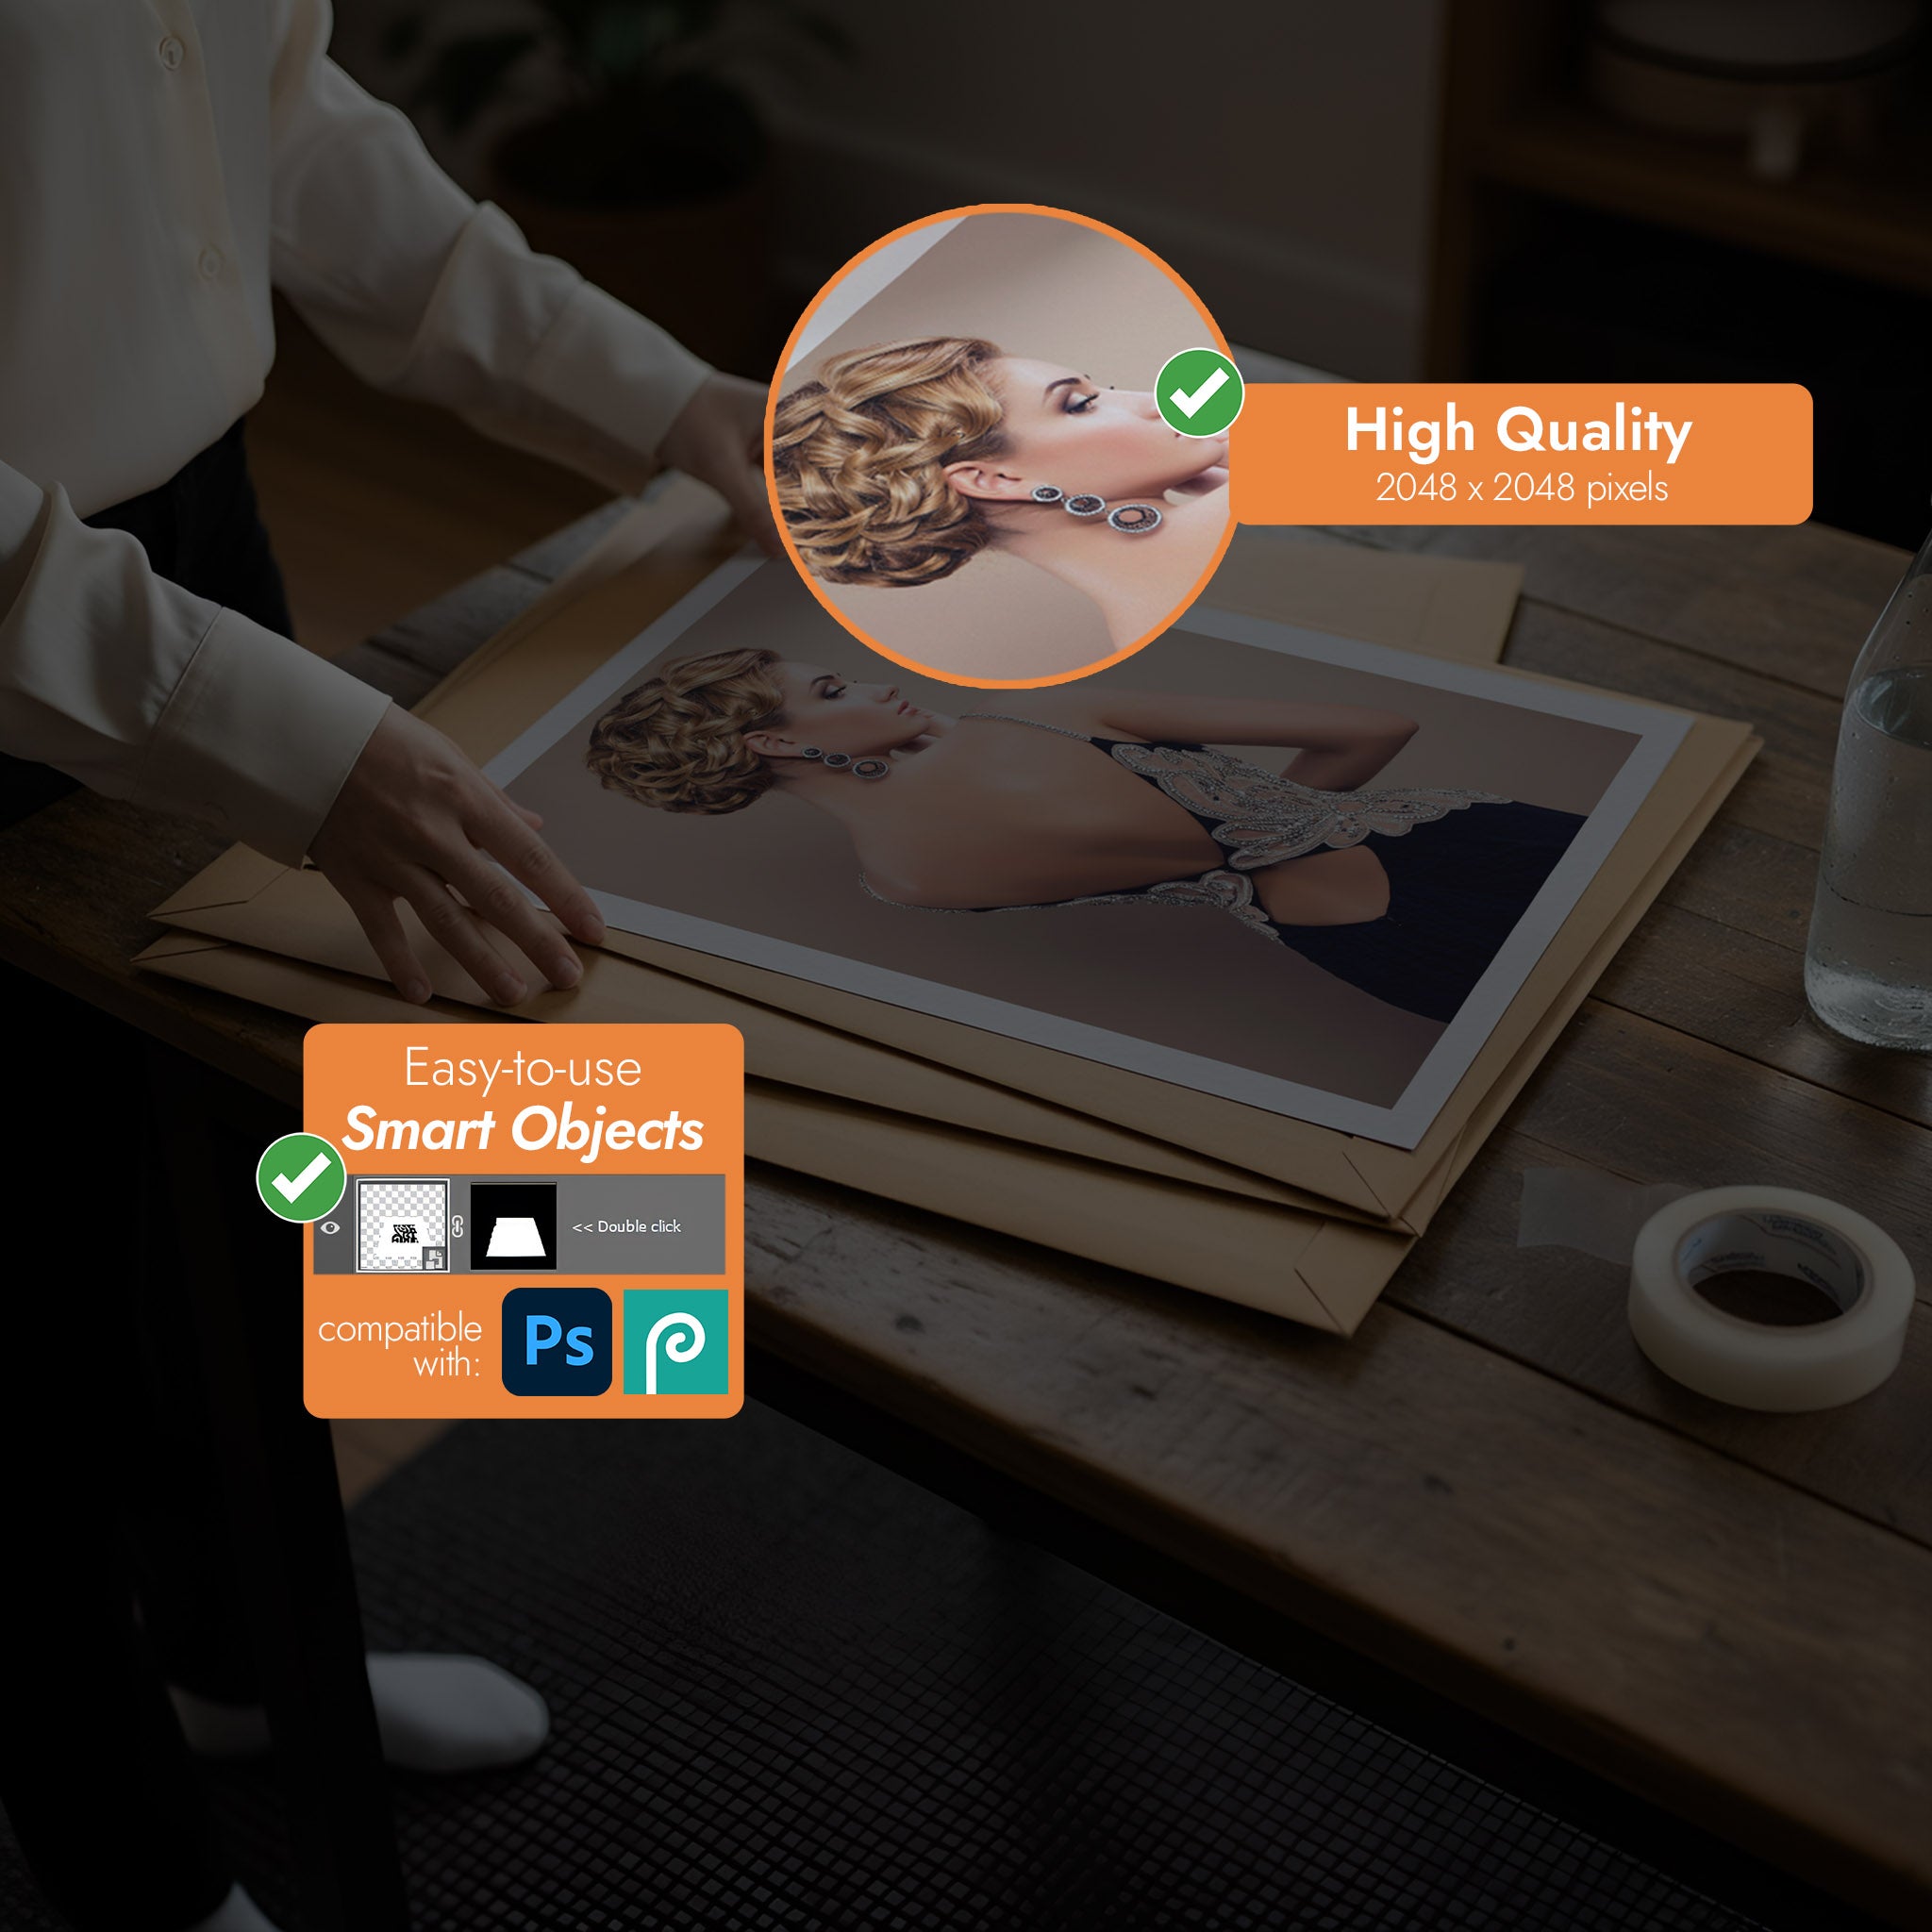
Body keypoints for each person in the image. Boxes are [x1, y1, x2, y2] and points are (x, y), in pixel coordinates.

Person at [0, 5, 775, 1927]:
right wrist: (300, 748)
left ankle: (245, 1662)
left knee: (240, 1194)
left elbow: (283, 127)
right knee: (23, 1315)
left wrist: (671, 402)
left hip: (190, 515)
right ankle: (128, 1876)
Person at [585, 650, 1586, 1025]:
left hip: (1372, 954)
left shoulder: (898, 880)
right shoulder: (1037, 711)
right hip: (1450, 848)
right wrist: (1287, 819)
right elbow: (1376, 731)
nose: (863, 680)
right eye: (830, 689)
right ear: (769, 740)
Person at [771, 337, 1229, 654]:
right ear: (995, 480)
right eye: (1081, 404)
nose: (1153, 400)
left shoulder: (1131, 634)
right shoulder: (1243, 505)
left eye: (1102, 390)